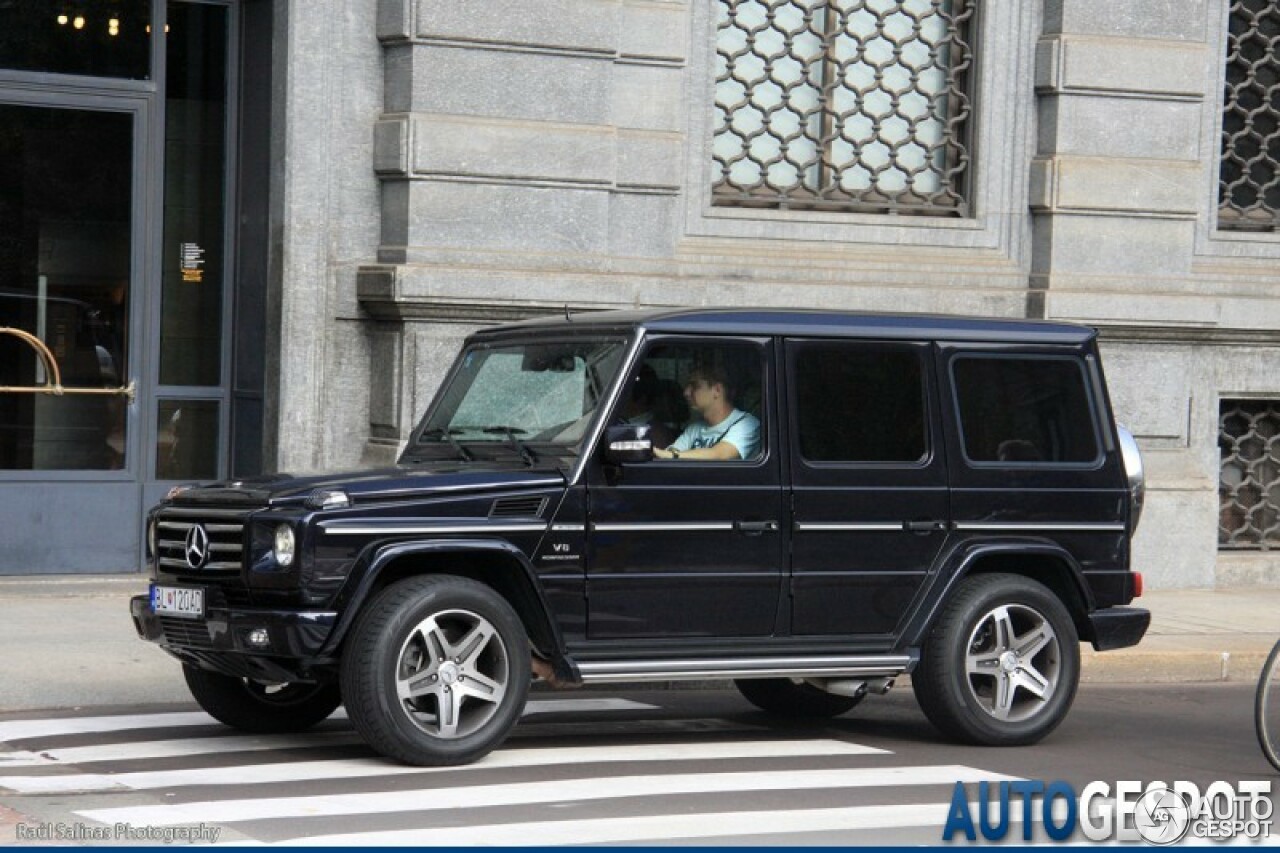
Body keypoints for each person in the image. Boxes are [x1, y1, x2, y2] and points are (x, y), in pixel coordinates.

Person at [653, 362, 760, 461]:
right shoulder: (695, 429)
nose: (686, 392)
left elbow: (720, 454)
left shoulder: (746, 424)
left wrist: (671, 455)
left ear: (717, 390)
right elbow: (669, 455)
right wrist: (668, 454)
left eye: (694, 386)